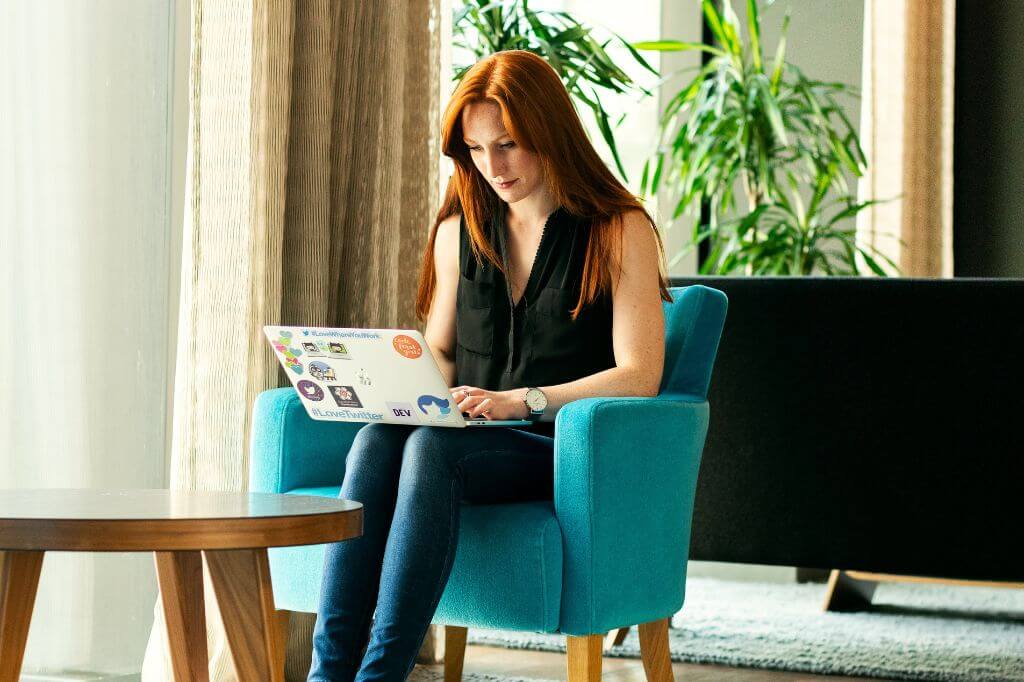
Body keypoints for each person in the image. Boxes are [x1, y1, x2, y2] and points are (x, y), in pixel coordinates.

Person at [308, 49, 671, 681]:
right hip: (468, 435)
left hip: (558, 446)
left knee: (432, 452)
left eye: (508, 145)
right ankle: (328, 674)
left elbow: (640, 373)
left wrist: (522, 400)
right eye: (476, 150)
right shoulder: (460, 230)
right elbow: (439, 350)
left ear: (549, 133)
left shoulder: (618, 229)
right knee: (376, 441)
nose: (492, 167)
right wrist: (407, 392)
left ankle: (380, 676)